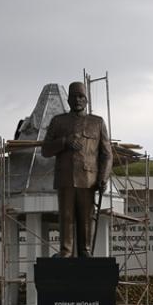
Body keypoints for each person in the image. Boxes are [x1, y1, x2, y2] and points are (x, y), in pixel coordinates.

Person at [41, 81, 113, 257]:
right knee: (66, 217)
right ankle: (65, 251)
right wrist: (64, 141)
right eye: (74, 96)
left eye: (81, 96)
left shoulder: (97, 122)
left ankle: (85, 250)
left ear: (86, 100)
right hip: (65, 178)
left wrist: (103, 178)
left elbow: (107, 154)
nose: (78, 100)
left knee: (86, 218)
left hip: (89, 180)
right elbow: (45, 150)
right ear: (68, 99)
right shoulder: (58, 121)